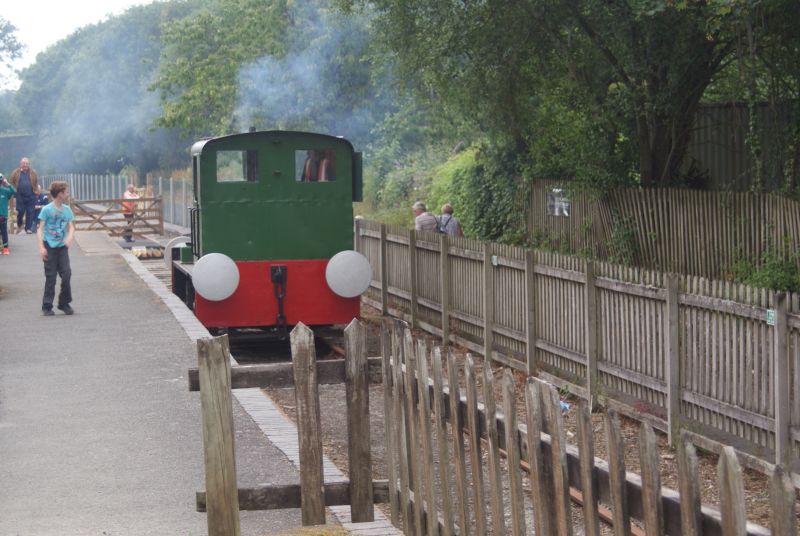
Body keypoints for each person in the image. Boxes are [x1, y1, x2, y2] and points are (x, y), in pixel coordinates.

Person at [37, 181, 75, 316]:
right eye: (66, 191)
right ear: (60, 193)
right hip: (49, 246)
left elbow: (71, 227)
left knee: (67, 274)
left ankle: (64, 303)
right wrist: (41, 247)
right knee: (51, 277)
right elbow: (40, 229)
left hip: (62, 247)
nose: (68, 193)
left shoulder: (67, 210)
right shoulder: (46, 209)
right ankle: (47, 306)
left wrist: (69, 237)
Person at [9, 157, 39, 234]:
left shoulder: (33, 172)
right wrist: (14, 194)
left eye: (26, 163)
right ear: (20, 164)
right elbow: (11, 182)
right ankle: (19, 223)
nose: (25, 165)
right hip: (19, 195)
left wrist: (36, 192)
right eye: (23, 163)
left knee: (30, 212)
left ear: (29, 164)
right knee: (20, 210)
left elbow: (35, 182)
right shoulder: (16, 172)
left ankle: (28, 228)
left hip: (31, 195)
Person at [0, 174, 16, 254]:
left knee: (3, 232)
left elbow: (14, 191)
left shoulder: (5, 191)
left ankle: (5, 248)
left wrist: (8, 184)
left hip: (3, 215)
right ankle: (1, 248)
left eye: (0, 181)